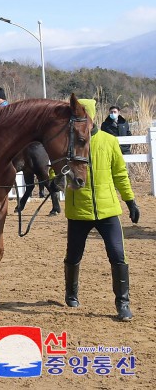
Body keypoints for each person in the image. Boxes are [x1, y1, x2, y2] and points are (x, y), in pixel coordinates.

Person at [63, 99, 140, 322]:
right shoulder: (69, 142)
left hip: (108, 212)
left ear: (93, 116)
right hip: (79, 212)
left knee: (118, 255)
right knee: (74, 256)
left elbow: (120, 174)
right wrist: (55, 177)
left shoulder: (108, 141)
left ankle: (123, 303)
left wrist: (130, 201)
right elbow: (56, 170)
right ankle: (71, 293)